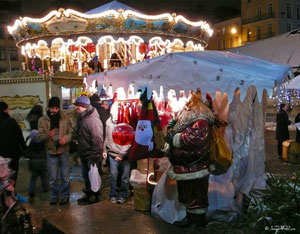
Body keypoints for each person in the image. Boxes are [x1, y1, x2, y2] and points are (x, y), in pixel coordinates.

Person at [165, 90, 214, 228]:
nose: (186, 104)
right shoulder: (189, 119)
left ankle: (198, 221)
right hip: (186, 166)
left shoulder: (200, 120)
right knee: (187, 193)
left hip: (195, 165)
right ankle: (190, 217)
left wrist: (174, 138)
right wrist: (171, 129)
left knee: (196, 193)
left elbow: (195, 139)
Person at [38, 97, 72, 205]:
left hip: (63, 151)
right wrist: (48, 135)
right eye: (52, 108)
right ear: (49, 108)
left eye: (57, 108)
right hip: (51, 152)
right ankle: (54, 195)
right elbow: (39, 137)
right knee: (53, 176)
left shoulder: (65, 119)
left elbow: (71, 133)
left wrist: (65, 139)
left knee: (65, 176)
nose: (54, 110)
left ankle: (65, 195)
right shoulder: (42, 120)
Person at [74, 95, 103, 205]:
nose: (76, 108)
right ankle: (89, 194)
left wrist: (94, 158)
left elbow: (97, 141)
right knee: (86, 176)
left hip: (91, 156)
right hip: (84, 154)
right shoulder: (82, 117)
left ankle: (94, 197)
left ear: (84, 106)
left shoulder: (93, 121)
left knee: (93, 177)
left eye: (78, 106)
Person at [103, 104, 132, 204]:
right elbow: (106, 137)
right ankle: (113, 194)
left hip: (124, 155)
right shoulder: (108, 122)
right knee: (113, 175)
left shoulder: (127, 122)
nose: (115, 116)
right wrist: (104, 150)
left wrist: (121, 155)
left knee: (124, 177)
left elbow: (129, 141)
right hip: (112, 154)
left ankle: (123, 194)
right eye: (113, 113)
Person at [0, 101, 26, 184]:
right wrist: (24, 148)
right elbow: (20, 137)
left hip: (0, 156)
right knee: (13, 175)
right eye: (7, 109)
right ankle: (11, 193)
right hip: (12, 154)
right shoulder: (11, 121)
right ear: (5, 110)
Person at [26, 104, 48, 197]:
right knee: (43, 174)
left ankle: (31, 189)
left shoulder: (30, 117)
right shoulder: (40, 119)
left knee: (34, 175)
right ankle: (45, 188)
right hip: (39, 140)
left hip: (34, 144)